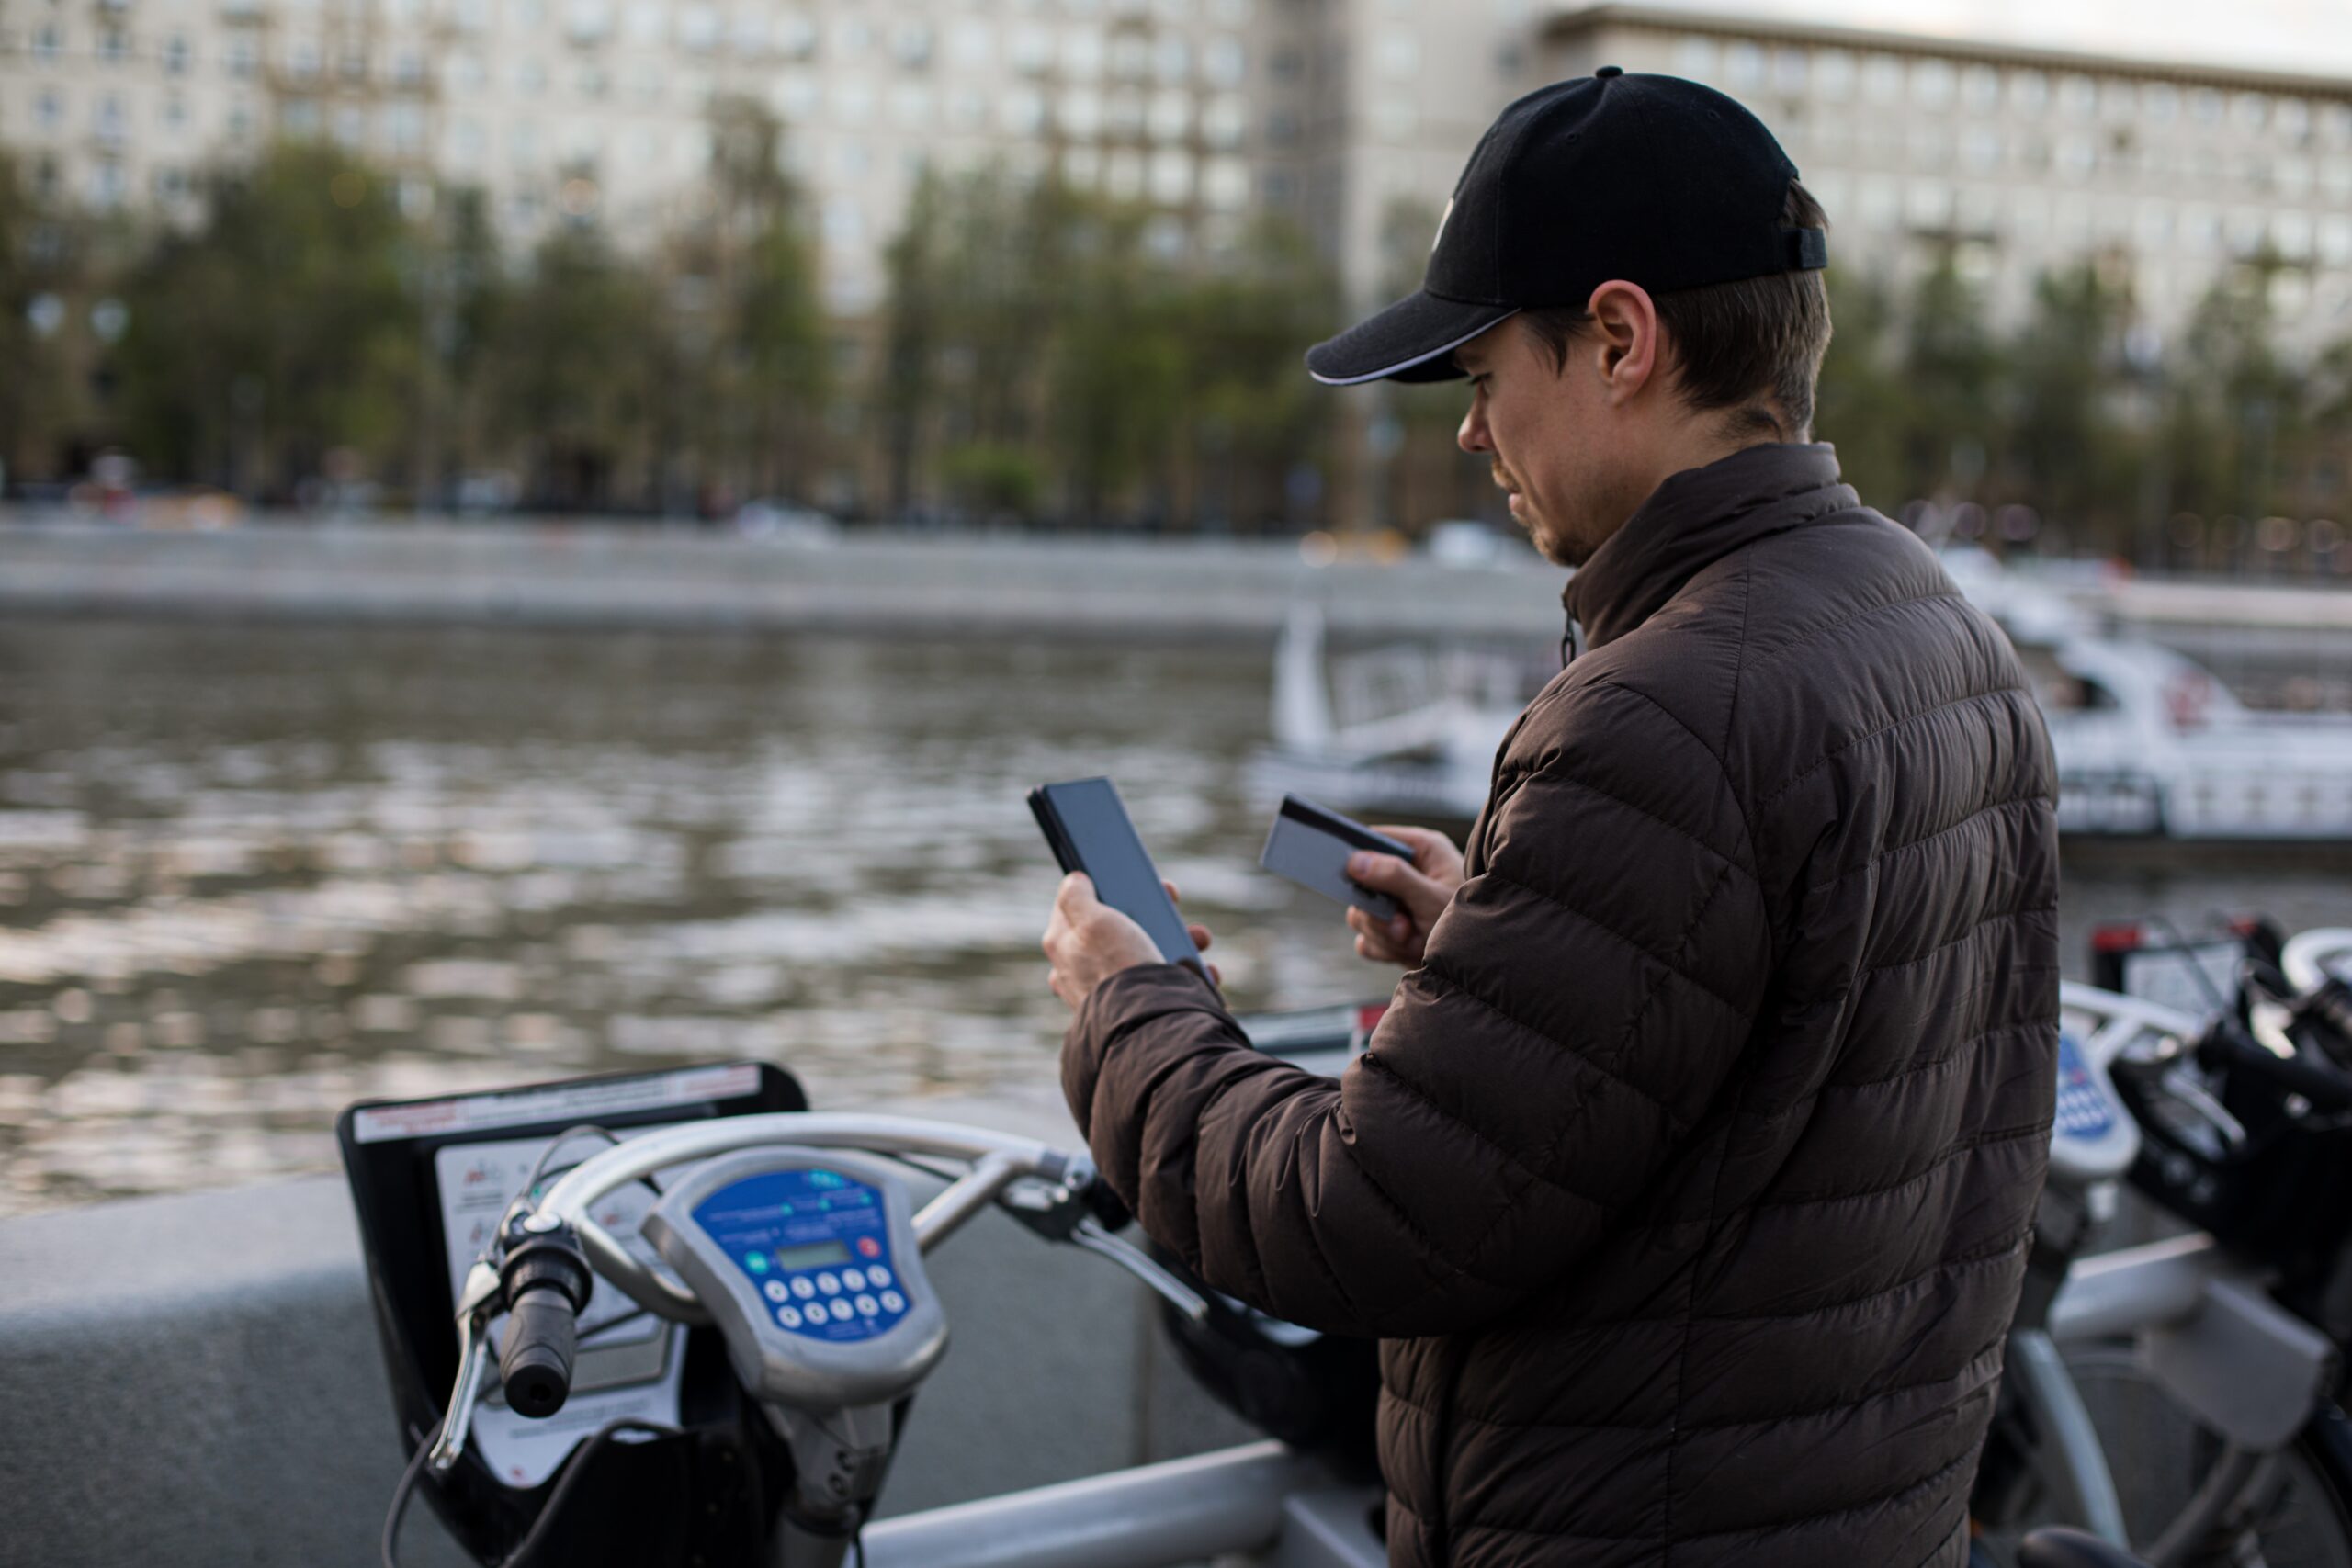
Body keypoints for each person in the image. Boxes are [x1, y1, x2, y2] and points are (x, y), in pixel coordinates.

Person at [1042, 69, 2057, 1568]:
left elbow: (1360, 1214)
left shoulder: (1667, 709)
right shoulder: (1937, 632)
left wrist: (1133, 1008)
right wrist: (1504, 941)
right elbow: (1798, 1070)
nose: (1472, 433)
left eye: (1479, 372)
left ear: (1620, 339)